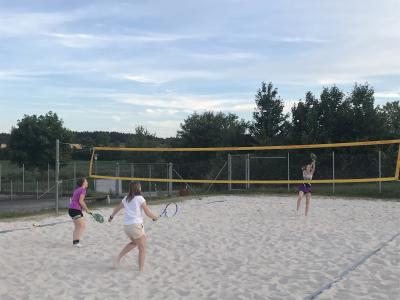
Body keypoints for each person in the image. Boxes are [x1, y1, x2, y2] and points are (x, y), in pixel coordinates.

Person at [108, 182, 158, 271]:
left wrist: (111, 216)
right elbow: (147, 212)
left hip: (127, 227)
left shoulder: (126, 198)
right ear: (138, 189)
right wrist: (154, 217)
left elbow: (117, 208)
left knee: (135, 243)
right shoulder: (140, 198)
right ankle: (141, 269)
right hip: (135, 226)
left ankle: (118, 258)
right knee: (142, 247)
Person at [68, 177, 91, 247]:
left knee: (78, 227)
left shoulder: (77, 189)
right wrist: (87, 209)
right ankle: (76, 242)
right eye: (86, 181)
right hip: (75, 210)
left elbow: (77, 201)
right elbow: (81, 201)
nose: (87, 182)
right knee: (81, 226)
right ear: (83, 183)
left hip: (72, 209)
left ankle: (75, 242)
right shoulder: (83, 190)